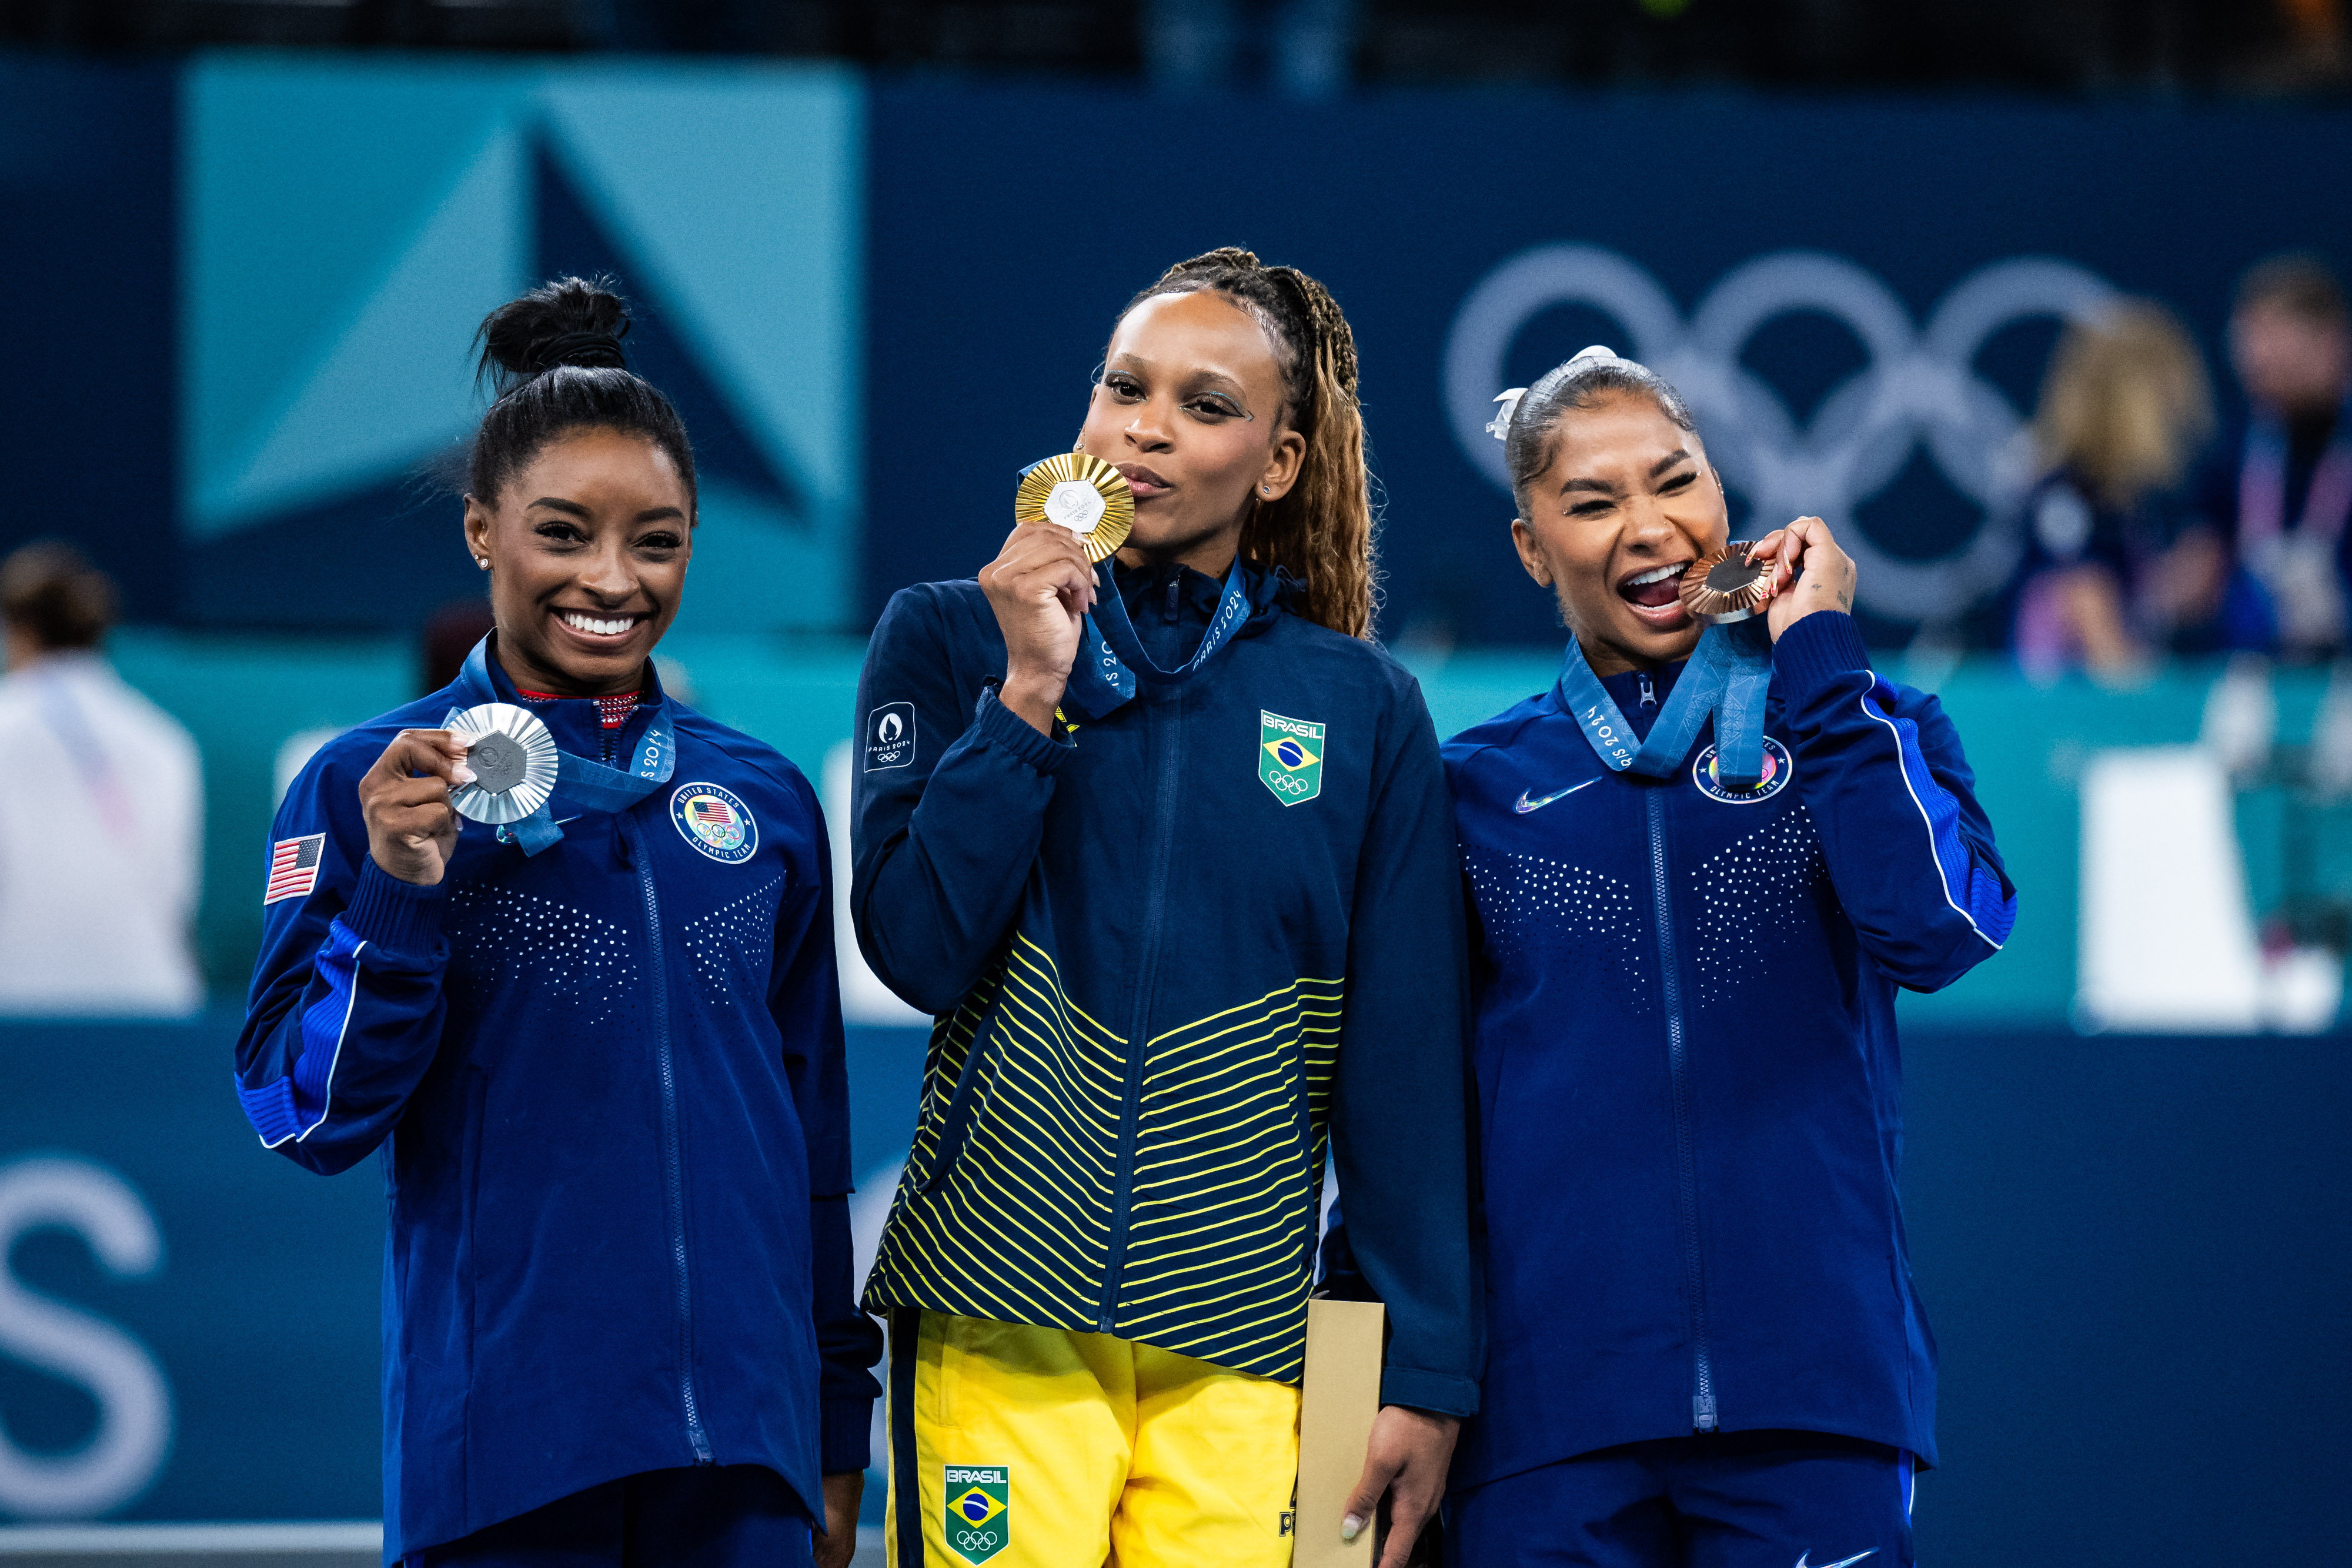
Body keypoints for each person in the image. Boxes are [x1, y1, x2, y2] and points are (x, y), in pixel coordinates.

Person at [234, 278, 879, 1568]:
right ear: (482, 530)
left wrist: (830, 1423)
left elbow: (810, 1138)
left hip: (741, 1452)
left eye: (657, 540)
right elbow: (302, 1113)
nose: (612, 579)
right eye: (564, 532)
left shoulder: (757, 796)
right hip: (507, 1451)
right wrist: (402, 891)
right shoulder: (372, 784)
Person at [851, 248, 1480, 1568]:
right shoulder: (949, 636)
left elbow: (1404, 1072)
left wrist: (1414, 1369)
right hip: (997, 1300)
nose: (1144, 425)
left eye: (1205, 405)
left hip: (1252, 1336)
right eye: (1122, 386)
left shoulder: (1362, 707)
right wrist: (1027, 693)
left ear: (1279, 464)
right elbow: (914, 947)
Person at [1442, 348, 2014, 1566]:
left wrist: (1819, 658)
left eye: (1675, 481)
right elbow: (1415, 1113)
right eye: (1590, 504)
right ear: (1529, 547)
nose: (1647, 528)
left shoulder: (1858, 720)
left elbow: (1938, 929)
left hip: (1812, 1402)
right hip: (1549, 1423)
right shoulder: (1472, 788)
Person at [0, 541, 203, 1016]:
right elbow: (177, 894)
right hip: (150, 999)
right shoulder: (165, 741)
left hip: (19, 1005)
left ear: (21, 633)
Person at [2004, 300, 2214, 680]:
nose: (2180, 416)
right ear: (2128, 401)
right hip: (2064, 721)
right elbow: (2092, 616)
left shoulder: (2123, 502)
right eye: (2166, 400)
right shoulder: (2068, 494)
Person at [2174, 253, 2352, 657]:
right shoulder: (2231, 451)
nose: (2256, 358)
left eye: (2272, 337)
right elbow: (2197, 570)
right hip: (2254, 677)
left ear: (2330, 341)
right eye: (2246, 339)